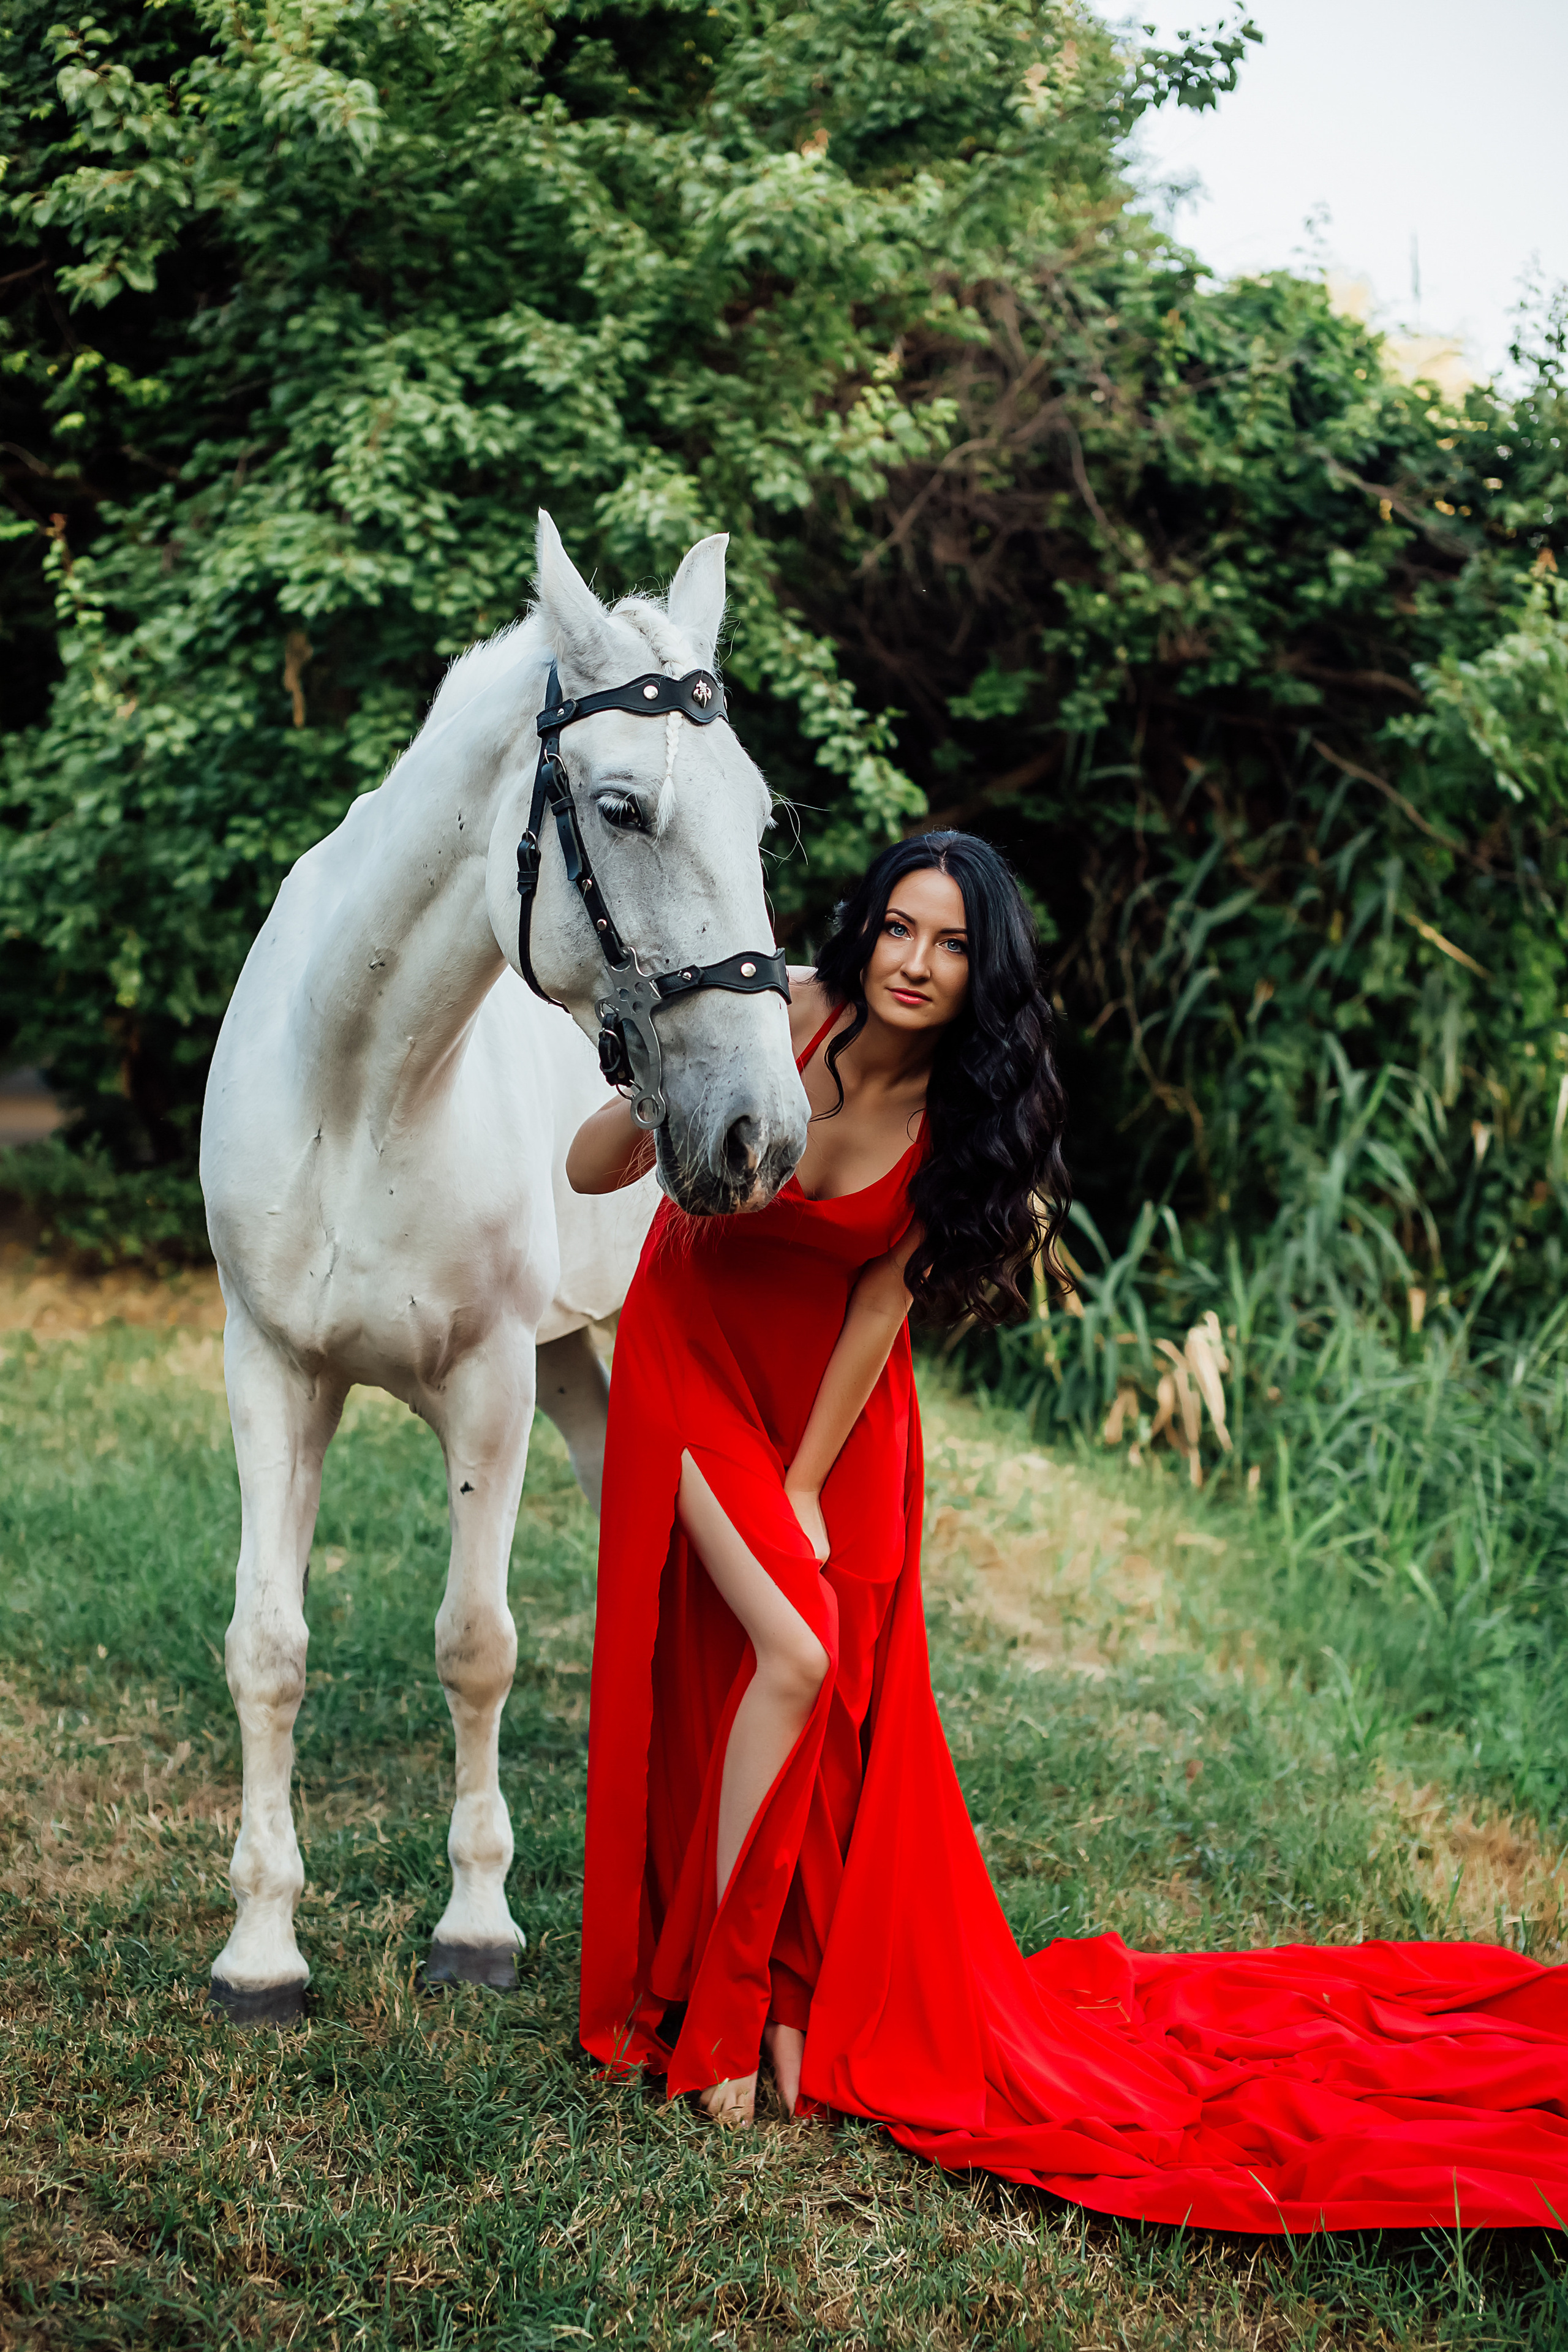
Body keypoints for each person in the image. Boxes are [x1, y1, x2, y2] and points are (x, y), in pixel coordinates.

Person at [568, 830, 1568, 2234]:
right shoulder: (788, 1010)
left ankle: (803, 1996)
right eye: (897, 930)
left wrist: (804, 1484)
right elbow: (586, 1171)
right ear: (861, 934)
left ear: (987, 972)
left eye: (950, 944)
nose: (913, 963)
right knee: (790, 1653)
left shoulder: (968, 1115)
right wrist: (650, 1076)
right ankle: (722, 2009)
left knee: (841, 1707)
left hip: (835, 1413)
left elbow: (875, 1308)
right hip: (693, 1350)